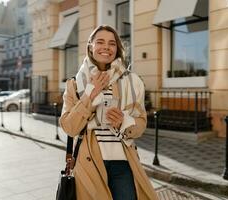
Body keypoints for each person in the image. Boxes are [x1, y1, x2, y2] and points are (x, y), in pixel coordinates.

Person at [59, 25, 158, 200]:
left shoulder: (131, 82)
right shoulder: (74, 84)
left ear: (117, 48)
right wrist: (91, 92)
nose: (106, 47)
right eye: (100, 42)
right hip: (89, 162)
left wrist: (125, 121)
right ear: (90, 46)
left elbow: (141, 123)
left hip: (123, 161)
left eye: (112, 43)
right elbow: (69, 128)